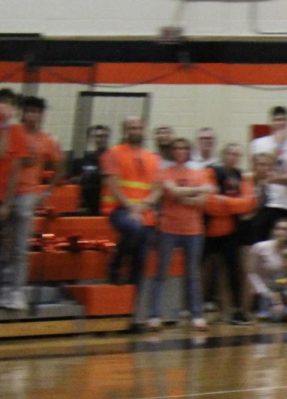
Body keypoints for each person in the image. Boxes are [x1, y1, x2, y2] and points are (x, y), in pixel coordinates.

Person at [148, 137, 215, 331]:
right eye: (177, 148)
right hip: (169, 227)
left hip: (194, 229)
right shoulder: (164, 172)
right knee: (162, 272)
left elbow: (202, 202)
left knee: (193, 273)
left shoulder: (199, 173)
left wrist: (183, 194)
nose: (180, 151)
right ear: (172, 151)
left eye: (184, 148)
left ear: (189, 151)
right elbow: (174, 192)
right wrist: (196, 191)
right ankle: (154, 315)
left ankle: (197, 315)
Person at [2, 95, 61, 312]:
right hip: (5, 193)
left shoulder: (48, 140)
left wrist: (45, 193)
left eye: (36, 112)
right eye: (29, 111)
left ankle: (16, 292)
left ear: (42, 115)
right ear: (22, 113)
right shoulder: (11, 133)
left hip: (26, 195)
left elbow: (60, 168)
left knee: (19, 248)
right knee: (5, 247)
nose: (32, 115)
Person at [102, 116, 161, 321]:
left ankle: (134, 316)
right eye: (131, 127)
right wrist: (131, 207)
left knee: (141, 263)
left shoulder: (153, 158)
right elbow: (113, 185)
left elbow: (157, 190)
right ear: (125, 130)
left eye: (138, 127)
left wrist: (143, 207)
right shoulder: (114, 153)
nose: (135, 130)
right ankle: (116, 262)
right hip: (118, 209)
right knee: (134, 228)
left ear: (143, 129)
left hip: (144, 213)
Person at [204, 142, 255, 325]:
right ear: (223, 154)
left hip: (230, 232)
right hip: (207, 232)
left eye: (236, 154)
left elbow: (249, 203)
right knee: (203, 272)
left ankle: (236, 311)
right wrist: (234, 204)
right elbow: (209, 204)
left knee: (235, 272)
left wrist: (223, 202)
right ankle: (197, 309)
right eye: (230, 153)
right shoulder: (211, 172)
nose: (233, 157)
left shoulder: (242, 176)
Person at [249, 106, 287, 230]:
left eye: (283, 120)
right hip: (266, 203)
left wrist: (273, 178)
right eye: (277, 120)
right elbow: (256, 174)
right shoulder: (258, 144)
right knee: (261, 244)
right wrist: (277, 148)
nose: (280, 123)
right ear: (271, 122)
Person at [0, 89, 30, 311]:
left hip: (8, 198)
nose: (4, 108)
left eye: (9, 105)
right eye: (2, 103)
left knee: (15, 248)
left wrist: (7, 203)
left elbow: (15, 170)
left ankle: (15, 292)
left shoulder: (16, 132)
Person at [246, 218, 287, 319]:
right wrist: (263, 291)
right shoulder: (259, 247)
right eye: (281, 229)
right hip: (260, 291)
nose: (285, 232)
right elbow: (251, 273)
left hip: (280, 293)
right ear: (274, 231)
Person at [69, 124, 110, 215]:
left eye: (104, 136)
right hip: (86, 204)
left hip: (106, 204)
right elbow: (72, 181)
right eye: (98, 136)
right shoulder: (81, 161)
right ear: (90, 139)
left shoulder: (114, 160)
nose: (101, 140)